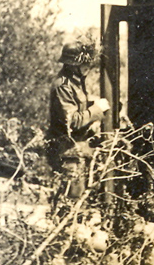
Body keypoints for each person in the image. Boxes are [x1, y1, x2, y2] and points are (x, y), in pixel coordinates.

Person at [47, 41, 110, 198]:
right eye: (83, 63)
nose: (87, 67)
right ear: (72, 64)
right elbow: (73, 120)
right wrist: (97, 110)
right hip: (67, 150)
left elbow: (77, 107)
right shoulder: (63, 86)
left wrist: (92, 104)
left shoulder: (74, 82)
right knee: (72, 197)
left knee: (78, 197)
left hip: (75, 148)